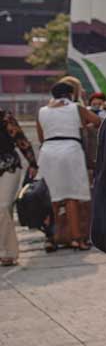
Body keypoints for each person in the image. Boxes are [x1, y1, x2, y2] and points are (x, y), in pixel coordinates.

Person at [37, 80, 100, 250]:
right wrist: (85, 126)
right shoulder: (75, 108)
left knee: (55, 197)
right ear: (71, 94)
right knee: (73, 196)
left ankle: (59, 236)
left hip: (48, 152)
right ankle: (77, 238)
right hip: (70, 151)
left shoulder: (42, 111)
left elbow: (41, 138)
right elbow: (98, 121)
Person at [0, 108, 37, 266]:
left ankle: (8, 252)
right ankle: (5, 249)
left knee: (3, 206)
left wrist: (33, 163)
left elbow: (20, 139)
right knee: (4, 213)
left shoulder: (4, 116)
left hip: (9, 166)